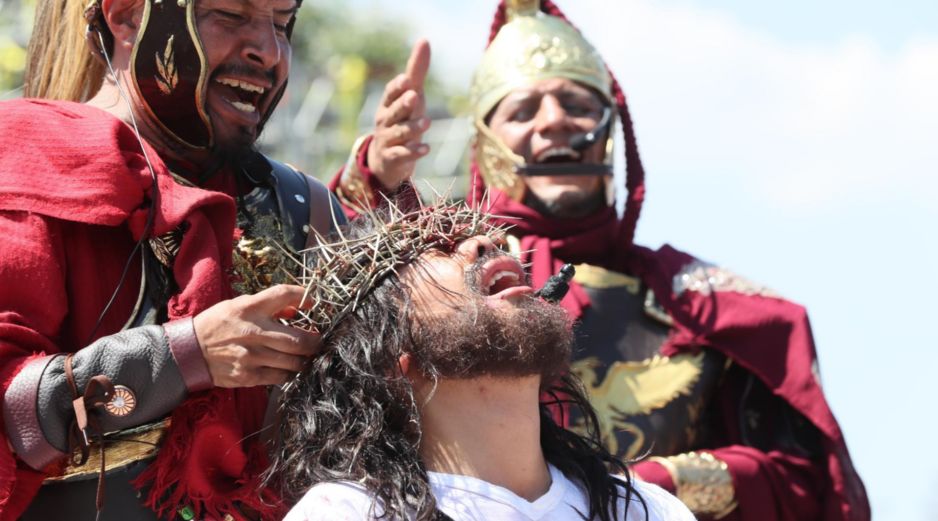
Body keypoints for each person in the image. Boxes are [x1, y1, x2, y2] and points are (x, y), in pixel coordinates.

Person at [330, 1, 870, 520]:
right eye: (523, 110)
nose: (556, 121)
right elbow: (346, 301)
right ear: (487, 142)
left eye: (579, 105)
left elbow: (806, 481)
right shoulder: (452, 275)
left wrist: (658, 486)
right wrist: (375, 180)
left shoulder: (702, 302)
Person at [0, 0, 425, 518]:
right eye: (229, 14)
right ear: (127, 16)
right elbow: (9, 411)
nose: (268, 51)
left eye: (283, 23)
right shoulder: (27, 157)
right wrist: (184, 357)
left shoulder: (298, 204)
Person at [269, 203, 695, 521]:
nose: (484, 243)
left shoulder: (646, 511)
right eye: (436, 249)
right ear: (389, 354)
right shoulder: (346, 513)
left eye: (477, 236)